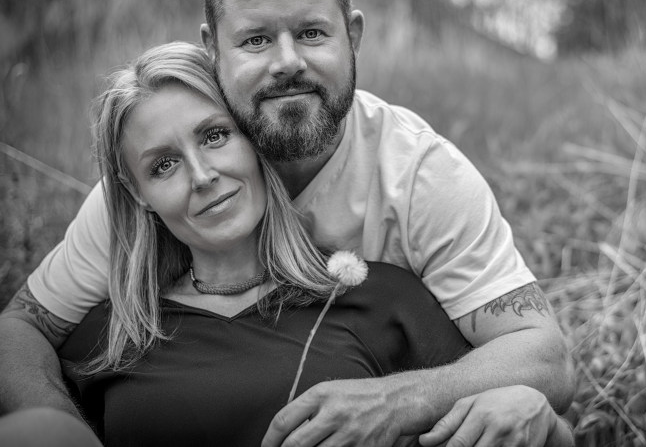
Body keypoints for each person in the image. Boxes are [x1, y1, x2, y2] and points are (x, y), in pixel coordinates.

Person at [0, 0, 574, 447]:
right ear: (212, 50)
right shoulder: (154, 188)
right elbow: (21, 328)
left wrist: (396, 400)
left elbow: (543, 357)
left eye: (312, 33)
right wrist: (58, 428)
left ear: (352, 37)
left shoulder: (421, 175)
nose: (287, 62)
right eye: (255, 40)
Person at [53, 40, 480, 446]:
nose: (202, 176)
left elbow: (506, 419)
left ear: (254, 137)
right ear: (138, 194)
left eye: (215, 136)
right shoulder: (108, 336)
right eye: (164, 165)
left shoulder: (381, 301)